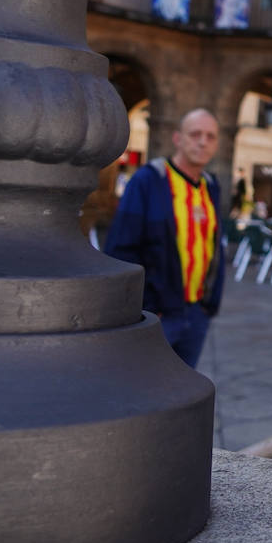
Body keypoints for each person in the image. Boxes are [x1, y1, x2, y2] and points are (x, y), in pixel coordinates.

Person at [104, 109, 225, 369]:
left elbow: (212, 247)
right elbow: (121, 249)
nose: (203, 141)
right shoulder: (149, 181)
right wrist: (146, 308)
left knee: (183, 393)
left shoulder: (211, 186)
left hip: (197, 312)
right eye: (195, 134)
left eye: (210, 136)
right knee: (144, 387)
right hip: (159, 315)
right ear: (177, 138)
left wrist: (209, 304)